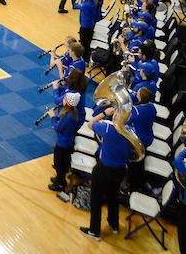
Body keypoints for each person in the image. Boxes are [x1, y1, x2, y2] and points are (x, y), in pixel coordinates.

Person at [81, 101, 131, 241]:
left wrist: (104, 113)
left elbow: (90, 124)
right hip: (120, 169)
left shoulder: (109, 129)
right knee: (113, 196)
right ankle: (114, 224)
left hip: (104, 168)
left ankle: (94, 231)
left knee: (96, 199)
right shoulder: (130, 132)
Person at [49, 90, 81, 193]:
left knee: (58, 163)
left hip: (62, 143)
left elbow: (57, 128)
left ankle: (61, 183)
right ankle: (59, 178)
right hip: (68, 141)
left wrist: (52, 117)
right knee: (62, 163)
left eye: (64, 99)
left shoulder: (67, 115)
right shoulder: (73, 113)